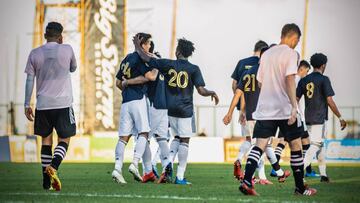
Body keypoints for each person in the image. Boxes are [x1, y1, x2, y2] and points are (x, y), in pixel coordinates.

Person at [239, 23, 317, 196]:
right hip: (284, 108)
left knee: (259, 145)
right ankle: (300, 188)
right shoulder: (291, 54)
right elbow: (290, 80)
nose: (297, 43)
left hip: (265, 108)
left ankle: (247, 181)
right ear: (292, 37)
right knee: (296, 144)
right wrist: (294, 107)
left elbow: (260, 82)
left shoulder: (266, 55)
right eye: (297, 40)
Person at [133, 36, 219, 185]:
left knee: (176, 138)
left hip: (170, 109)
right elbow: (201, 90)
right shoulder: (194, 68)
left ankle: (167, 166)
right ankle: (180, 176)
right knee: (185, 140)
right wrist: (212, 92)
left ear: (178, 51)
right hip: (185, 109)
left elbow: (147, 58)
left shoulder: (167, 64)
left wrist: (137, 45)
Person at [24, 22, 77, 191]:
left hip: (43, 104)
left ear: (45, 36)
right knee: (64, 139)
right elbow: (73, 68)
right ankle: (53, 167)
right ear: (60, 36)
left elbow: (30, 80)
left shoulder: (35, 53)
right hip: (63, 103)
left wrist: (27, 104)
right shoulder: (67, 49)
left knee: (46, 142)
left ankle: (46, 183)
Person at [223, 47, 288, 185]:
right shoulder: (266, 73)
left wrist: (233, 112)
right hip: (262, 115)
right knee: (260, 147)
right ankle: (249, 175)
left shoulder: (246, 73)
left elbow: (239, 94)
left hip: (249, 115)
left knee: (264, 146)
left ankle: (276, 173)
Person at [120, 41, 172, 183]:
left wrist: (128, 82)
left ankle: (148, 171)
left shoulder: (150, 64)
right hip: (164, 107)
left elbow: (148, 78)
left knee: (143, 137)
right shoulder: (162, 64)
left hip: (152, 105)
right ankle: (167, 167)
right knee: (162, 139)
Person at [297, 53, 347, 183]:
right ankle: (299, 172)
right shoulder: (324, 79)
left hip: (307, 118)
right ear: (323, 65)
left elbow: (295, 98)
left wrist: (297, 113)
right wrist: (340, 117)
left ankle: (323, 175)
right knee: (315, 145)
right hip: (319, 118)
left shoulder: (304, 80)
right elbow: (329, 101)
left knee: (320, 146)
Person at [111, 33, 152, 184]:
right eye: (148, 44)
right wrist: (130, 83)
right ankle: (135, 163)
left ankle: (117, 168)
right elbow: (147, 77)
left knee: (123, 138)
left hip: (125, 102)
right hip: (138, 99)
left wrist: (126, 86)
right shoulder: (140, 58)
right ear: (142, 45)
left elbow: (117, 83)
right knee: (144, 133)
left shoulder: (126, 58)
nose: (149, 47)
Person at [271, 60, 318, 178]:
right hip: (295, 115)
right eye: (306, 72)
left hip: (282, 113)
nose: (306, 74)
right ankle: (307, 170)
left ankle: (275, 169)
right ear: (301, 69)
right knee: (305, 142)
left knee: (282, 141)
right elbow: (295, 98)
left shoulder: (286, 78)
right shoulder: (299, 80)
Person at [230, 41, 268, 179]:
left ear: (254, 49)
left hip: (245, 108)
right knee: (261, 142)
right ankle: (260, 175)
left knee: (249, 139)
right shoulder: (263, 67)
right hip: (260, 110)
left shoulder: (242, 63)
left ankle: (239, 159)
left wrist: (241, 106)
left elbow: (234, 85)